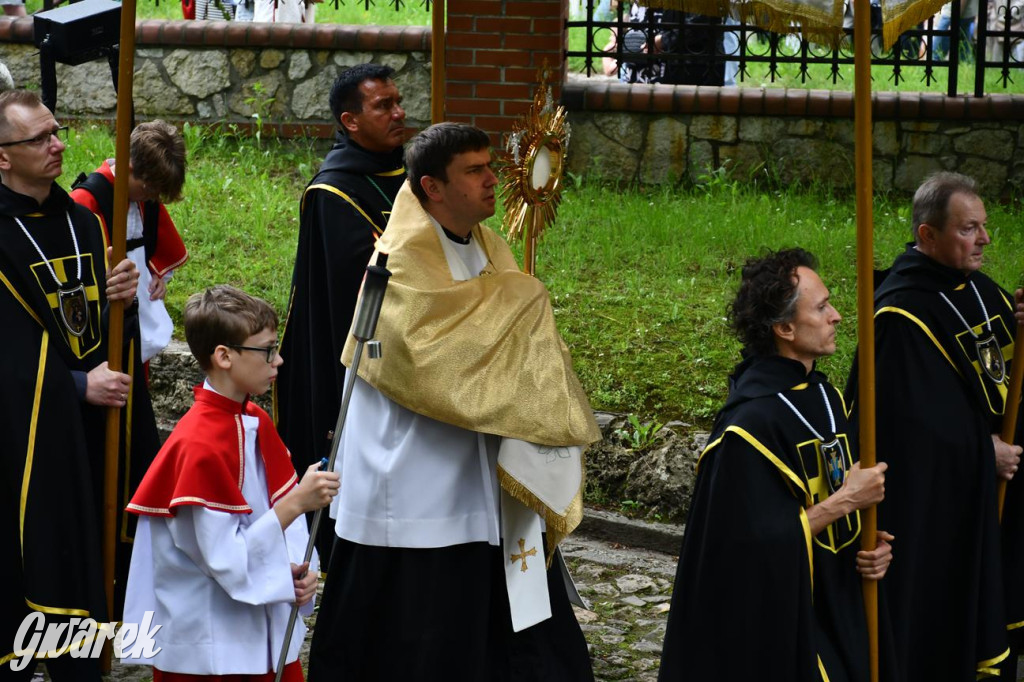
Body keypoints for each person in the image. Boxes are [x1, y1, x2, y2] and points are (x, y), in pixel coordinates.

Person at [306, 122, 601, 681]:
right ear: (432, 188)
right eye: (475, 170)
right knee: (419, 629)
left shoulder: (490, 245)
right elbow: (425, 359)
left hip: (480, 463)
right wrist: (517, 305)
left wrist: (517, 317)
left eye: (490, 166)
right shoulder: (397, 261)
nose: (494, 180)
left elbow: (508, 344)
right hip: (415, 471)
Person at [658, 248, 893, 682]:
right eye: (821, 308)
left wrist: (867, 543)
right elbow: (745, 550)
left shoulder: (824, 396)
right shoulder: (747, 429)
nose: (837, 316)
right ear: (784, 328)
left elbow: (831, 500)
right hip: (783, 621)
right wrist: (845, 502)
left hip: (837, 601)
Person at [846, 172, 1020, 680]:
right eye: (969, 229)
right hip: (936, 508)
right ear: (927, 236)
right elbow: (912, 429)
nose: (984, 239)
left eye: (984, 227)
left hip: (986, 495)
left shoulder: (983, 292)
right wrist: (981, 451)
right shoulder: (901, 316)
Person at [120, 285, 340, 680]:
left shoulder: (256, 422)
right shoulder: (197, 445)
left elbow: (278, 531)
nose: (279, 360)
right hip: (212, 653)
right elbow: (224, 560)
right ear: (224, 356)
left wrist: (300, 573)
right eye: (267, 349)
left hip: (267, 639)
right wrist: (297, 503)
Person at [0, 88, 138, 680]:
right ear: (3, 156)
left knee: (83, 554)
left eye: (55, 132)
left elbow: (89, 325)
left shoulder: (84, 222)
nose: (57, 145)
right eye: (39, 138)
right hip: (20, 429)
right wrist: (76, 386)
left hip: (81, 425)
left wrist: (122, 304)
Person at [274, 62, 406, 564]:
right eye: (383, 106)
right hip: (356, 352)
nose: (398, 113)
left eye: (398, 101)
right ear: (350, 121)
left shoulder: (413, 175)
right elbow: (348, 292)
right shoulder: (333, 193)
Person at [71, 120, 189, 367]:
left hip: (138, 309)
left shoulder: (143, 195)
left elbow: (154, 245)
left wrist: (158, 278)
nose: (152, 198)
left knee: (136, 372)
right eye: (148, 190)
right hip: (103, 312)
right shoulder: (85, 200)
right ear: (129, 166)